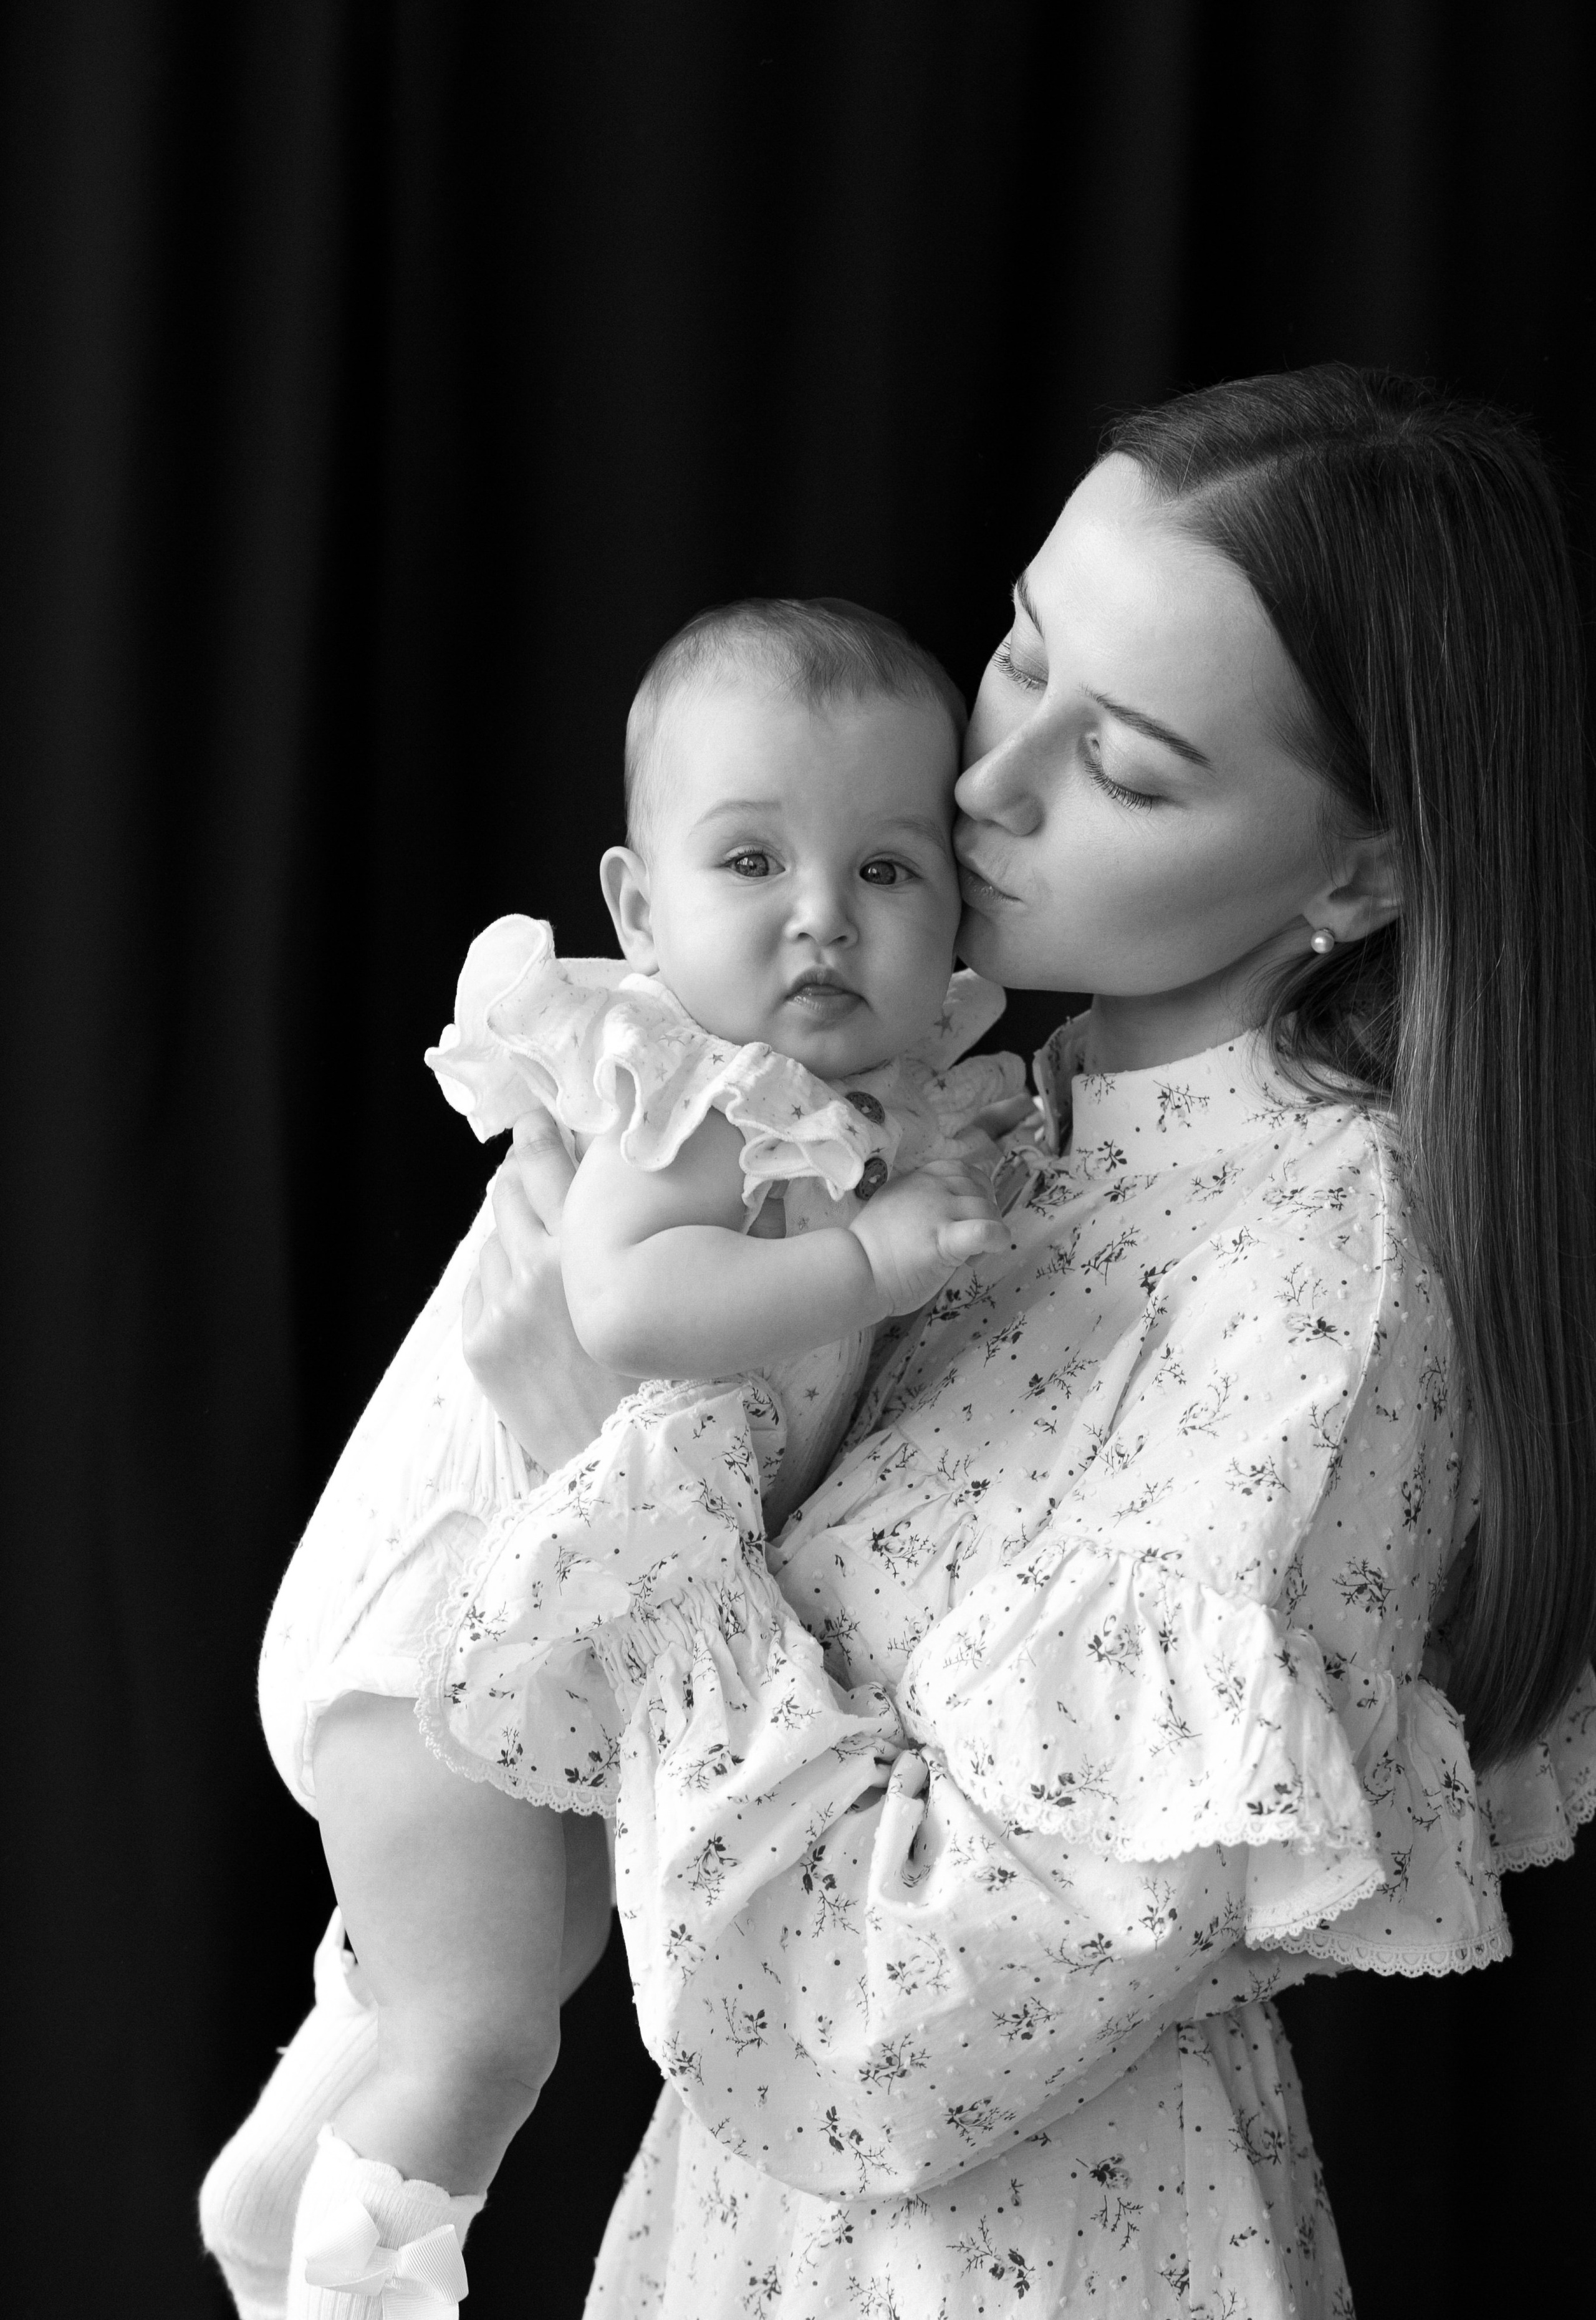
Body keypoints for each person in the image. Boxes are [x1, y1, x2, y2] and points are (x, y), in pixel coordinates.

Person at [441, 366, 1596, 2318]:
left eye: (1128, 767)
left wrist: (617, 1484)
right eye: (1017, 654)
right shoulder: (995, 1105)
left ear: (1361, 876)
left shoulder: (1321, 1281)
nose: (983, 787)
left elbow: (884, 2030)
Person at [200, 599, 1027, 2320]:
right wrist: (876, 1259)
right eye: (751, 859)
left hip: (543, 1611)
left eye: (886, 870)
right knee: (486, 2028)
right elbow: (639, 1303)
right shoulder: (681, 1079)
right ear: (642, 908)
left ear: (952, 905)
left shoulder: (850, 1100)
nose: (820, 915)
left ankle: (274, 2191)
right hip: (441, 1612)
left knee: (523, 1967)